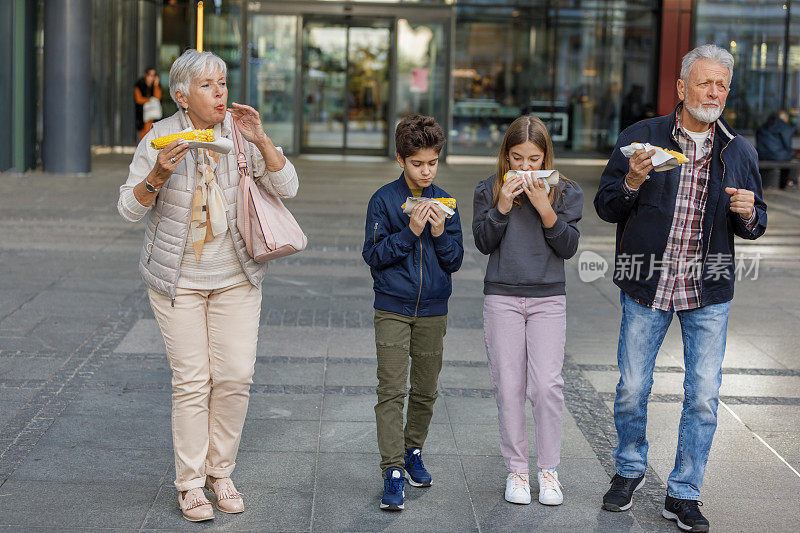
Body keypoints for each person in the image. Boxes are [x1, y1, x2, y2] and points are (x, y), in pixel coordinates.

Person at [117, 49, 299, 522]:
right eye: (208, 85)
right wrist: (158, 174)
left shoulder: (239, 131)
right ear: (181, 95)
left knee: (236, 375)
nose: (221, 92)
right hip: (177, 280)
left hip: (237, 274)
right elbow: (127, 210)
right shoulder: (158, 137)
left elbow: (289, 187)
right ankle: (191, 483)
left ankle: (222, 472)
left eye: (223, 82)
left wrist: (262, 141)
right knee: (193, 381)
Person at [594, 44, 767, 532]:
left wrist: (749, 212)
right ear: (681, 87)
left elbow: (756, 222)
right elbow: (607, 206)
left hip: (707, 290)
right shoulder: (641, 138)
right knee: (631, 389)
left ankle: (684, 492)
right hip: (648, 282)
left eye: (721, 85)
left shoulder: (738, 150)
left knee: (704, 396)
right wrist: (630, 180)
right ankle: (629, 469)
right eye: (705, 82)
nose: (713, 92)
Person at [472, 115, 584, 506]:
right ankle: (517, 471)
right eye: (516, 158)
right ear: (506, 156)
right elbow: (484, 243)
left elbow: (568, 247)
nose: (524, 167)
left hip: (548, 297)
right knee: (509, 386)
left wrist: (543, 206)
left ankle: (548, 471)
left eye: (533, 159)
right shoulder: (488, 188)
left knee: (547, 386)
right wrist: (502, 205)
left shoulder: (566, 191)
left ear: (545, 156)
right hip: (501, 296)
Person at [362, 114, 464, 512]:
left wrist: (439, 232)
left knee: (425, 389)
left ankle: (413, 451)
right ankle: (391, 469)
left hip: (433, 310)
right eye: (417, 163)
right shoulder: (384, 200)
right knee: (391, 390)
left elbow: (455, 261)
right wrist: (410, 232)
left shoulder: (445, 202)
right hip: (392, 306)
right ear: (401, 159)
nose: (425, 171)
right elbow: (373, 255)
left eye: (432, 163)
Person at [756, 110, 797, 188]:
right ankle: (789, 182)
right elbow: (787, 145)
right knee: (792, 156)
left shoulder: (763, 126)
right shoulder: (785, 127)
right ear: (784, 118)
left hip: (761, 155)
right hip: (778, 155)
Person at [134, 67, 163, 141]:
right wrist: (150, 100)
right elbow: (138, 99)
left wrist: (156, 84)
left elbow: (158, 97)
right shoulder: (139, 85)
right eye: (150, 75)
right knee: (144, 132)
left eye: (153, 75)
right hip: (142, 113)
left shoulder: (155, 86)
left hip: (153, 114)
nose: (151, 78)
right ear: (146, 75)